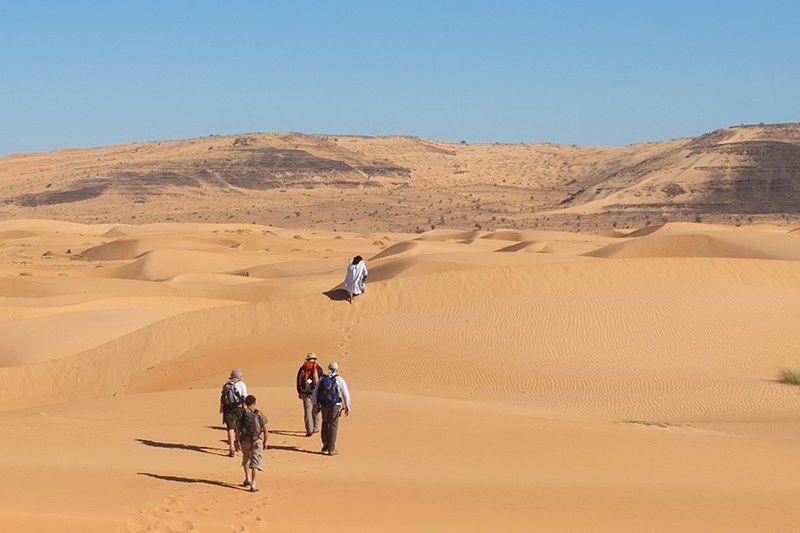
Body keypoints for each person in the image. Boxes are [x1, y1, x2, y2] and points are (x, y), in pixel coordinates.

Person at [312, 361, 351, 456]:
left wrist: (315, 404)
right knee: (333, 426)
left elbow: (315, 392)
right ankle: (331, 449)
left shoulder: (322, 378)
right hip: (335, 405)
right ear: (337, 370)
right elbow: (345, 393)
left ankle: (325, 446)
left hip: (324, 405)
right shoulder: (339, 380)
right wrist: (347, 406)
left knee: (325, 423)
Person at [236, 395, 269, 492]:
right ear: (255, 403)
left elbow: (237, 429)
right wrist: (265, 442)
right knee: (255, 462)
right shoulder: (259, 413)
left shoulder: (242, 414)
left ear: (245, 404)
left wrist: (236, 441)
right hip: (256, 440)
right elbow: (266, 430)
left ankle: (248, 479)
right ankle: (254, 484)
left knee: (246, 458)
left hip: (245, 440)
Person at [220, 369, 247, 457]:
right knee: (238, 426)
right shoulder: (242, 384)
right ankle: (237, 441)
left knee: (230, 428)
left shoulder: (226, 385)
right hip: (238, 408)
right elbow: (244, 396)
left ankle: (231, 447)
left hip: (227, 409)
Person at [296, 353, 324, 437]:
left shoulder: (302, 368)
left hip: (305, 393)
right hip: (316, 393)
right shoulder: (318, 369)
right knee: (316, 410)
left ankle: (309, 430)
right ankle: (316, 428)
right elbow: (322, 382)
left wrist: (299, 392)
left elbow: (298, 381)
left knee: (307, 412)